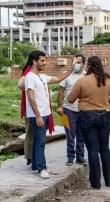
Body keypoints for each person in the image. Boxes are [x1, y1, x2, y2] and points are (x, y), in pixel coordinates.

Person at [67, 56, 110, 189]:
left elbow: (70, 99)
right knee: (104, 148)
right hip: (104, 115)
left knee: (92, 149)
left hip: (86, 116)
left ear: (89, 66)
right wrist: (106, 103)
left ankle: (95, 183)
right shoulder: (109, 80)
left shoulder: (82, 81)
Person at [24, 50, 76, 179]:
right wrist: (37, 115)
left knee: (37, 140)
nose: (44, 63)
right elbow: (30, 97)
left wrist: (71, 69)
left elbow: (58, 78)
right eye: (42, 61)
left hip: (45, 113)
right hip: (38, 115)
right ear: (34, 61)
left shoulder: (41, 77)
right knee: (41, 141)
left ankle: (36, 166)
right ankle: (42, 168)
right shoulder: (30, 77)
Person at [57, 54, 87, 166]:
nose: (76, 64)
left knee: (81, 134)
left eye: (79, 62)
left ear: (83, 64)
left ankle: (80, 156)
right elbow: (61, 91)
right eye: (74, 62)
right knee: (70, 135)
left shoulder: (86, 76)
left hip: (83, 109)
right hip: (69, 110)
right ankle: (70, 156)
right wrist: (59, 106)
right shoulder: (67, 75)